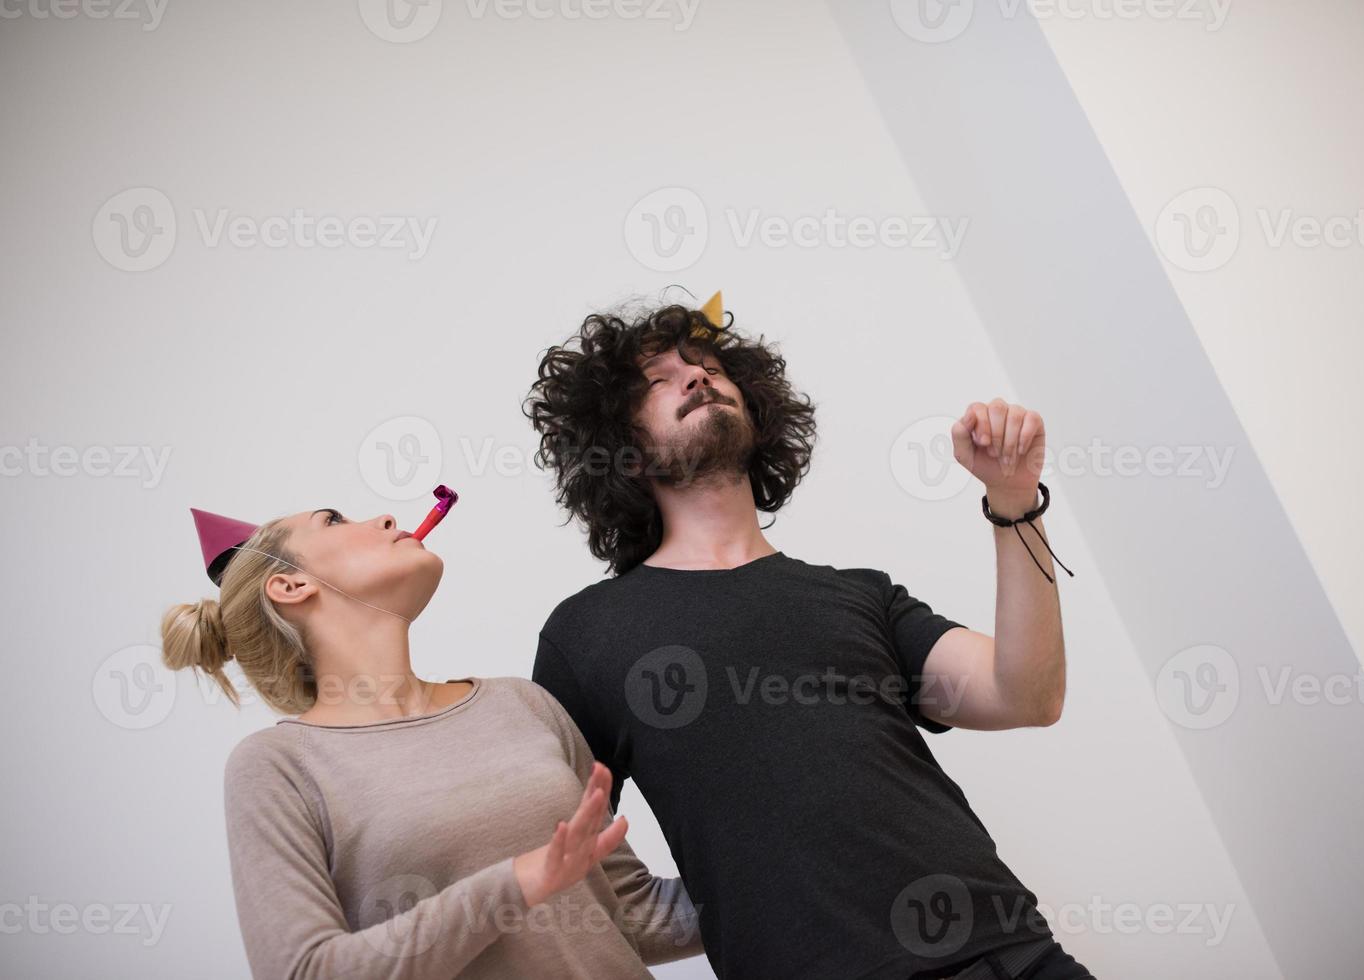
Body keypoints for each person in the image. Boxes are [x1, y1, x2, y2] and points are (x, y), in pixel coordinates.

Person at [522, 292, 1096, 979]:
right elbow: (558, 864)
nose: (696, 378)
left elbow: (1025, 695)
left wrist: (1013, 501)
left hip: (1014, 957)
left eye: (706, 365)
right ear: (624, 451)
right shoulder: (584, 635)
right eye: (659, 380)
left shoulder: (859, 594)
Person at [160, 503, 702, 978]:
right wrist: (513, 885)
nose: (388, 518)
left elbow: (635, 914)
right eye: (334, 519)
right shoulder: (276, 767)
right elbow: (306, 971)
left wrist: (777, 870)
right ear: (289, 585)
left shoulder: (521, 704)